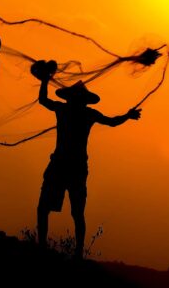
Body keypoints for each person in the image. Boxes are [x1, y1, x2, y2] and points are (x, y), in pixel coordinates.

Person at [31, 60, 141, 257]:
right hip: (74, 166)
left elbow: (43, 100)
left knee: (50, 208)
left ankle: (50, 249)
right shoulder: (86, 113)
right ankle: (76, 252)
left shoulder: (63, 109)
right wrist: (128, 116)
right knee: (74, 212)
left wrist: (45, 81)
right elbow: (112, 122)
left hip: (63, 164)